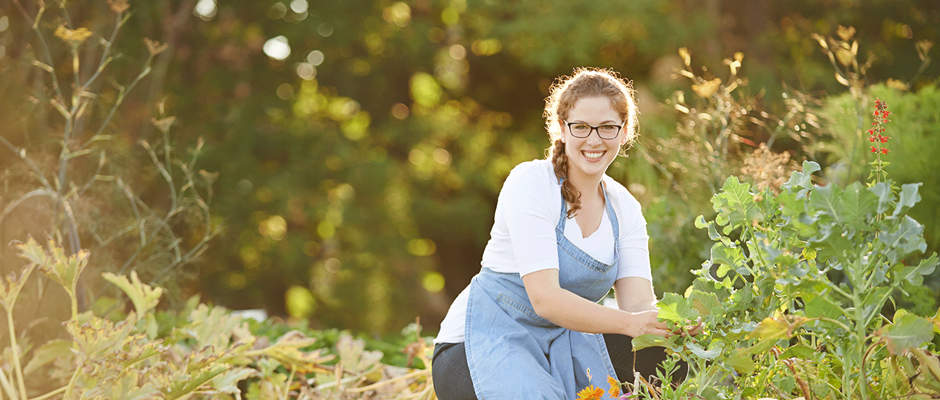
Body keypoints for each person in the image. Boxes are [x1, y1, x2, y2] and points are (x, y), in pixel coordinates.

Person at [431, 67, 676, 400]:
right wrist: (631, 323)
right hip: (481, 344)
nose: (594, 139)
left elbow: (638, 308)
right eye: (581, 127)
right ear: (561, 129)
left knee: (666, 359)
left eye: (607, 128)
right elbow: (545, 299)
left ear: (624, 132)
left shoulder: (625, 208)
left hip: (566, 346)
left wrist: (679, 327)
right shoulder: (532, 183)